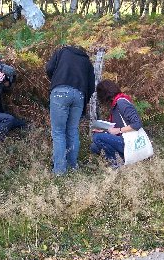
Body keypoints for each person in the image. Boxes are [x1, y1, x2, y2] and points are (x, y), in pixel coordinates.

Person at [46, 45, 95, 175]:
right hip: (79, 95)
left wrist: (56, 80)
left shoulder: (62, 52)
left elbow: (49, 68)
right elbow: (92, 86)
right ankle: (72, 166)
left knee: (58, 132)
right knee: (72, 131)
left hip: (60, 92)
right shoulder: (86, 61)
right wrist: (84, 99)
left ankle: (59, 172)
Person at [90, 79, 143, 168]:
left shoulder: (121, 102)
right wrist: (103, 130)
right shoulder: (115, 104)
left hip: (130, 142)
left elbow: (137, 124)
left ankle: (115, 165)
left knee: (97, 137)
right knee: (94, 146)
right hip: (123, 139)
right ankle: (120, 161)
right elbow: (116, 128)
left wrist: (118, 130)